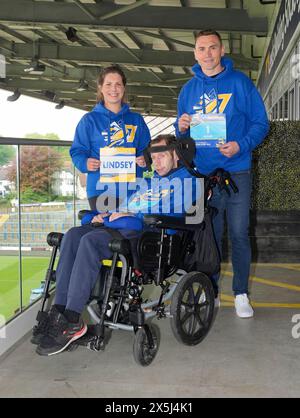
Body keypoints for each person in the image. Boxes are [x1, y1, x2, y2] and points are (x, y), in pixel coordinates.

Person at [33, 135, 200, 356]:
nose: (156, 162)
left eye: (162, 156)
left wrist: (131, 216)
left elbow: (173, 215)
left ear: (176, 156)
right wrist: (105, 215)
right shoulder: (148, 183)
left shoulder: (187, 181)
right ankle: (59, 312)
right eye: (154, 157)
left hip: (148, 237)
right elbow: (125, 207)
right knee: (73, 235)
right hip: (123, 227)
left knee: (89, 241)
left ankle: (73, 318)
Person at [175, 30, 269, 318]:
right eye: (201, 48)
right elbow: (182, 136)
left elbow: (260, 123)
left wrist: (241, 144)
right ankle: (210, 290)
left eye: (212, 47)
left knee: (239, 234)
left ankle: (240, 293)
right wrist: (181, 126)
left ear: (222, 50)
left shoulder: (240, 83)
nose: (207, 53)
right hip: (202, 176)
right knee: (207, 237)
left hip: (237, 171)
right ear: (195, 53)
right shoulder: (188, 90)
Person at [70, 64, 150, 211]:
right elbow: (77, 151)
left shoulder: (136, 120)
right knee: (107, 230)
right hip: (101, 190)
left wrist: (145, 159)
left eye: (118, 84)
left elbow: (147, 149)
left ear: (124, 88)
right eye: (108, 84)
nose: (114, 89)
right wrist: (85, 162)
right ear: (101, 87)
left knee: (132, 230)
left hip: (134, 189)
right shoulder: (89, 120)